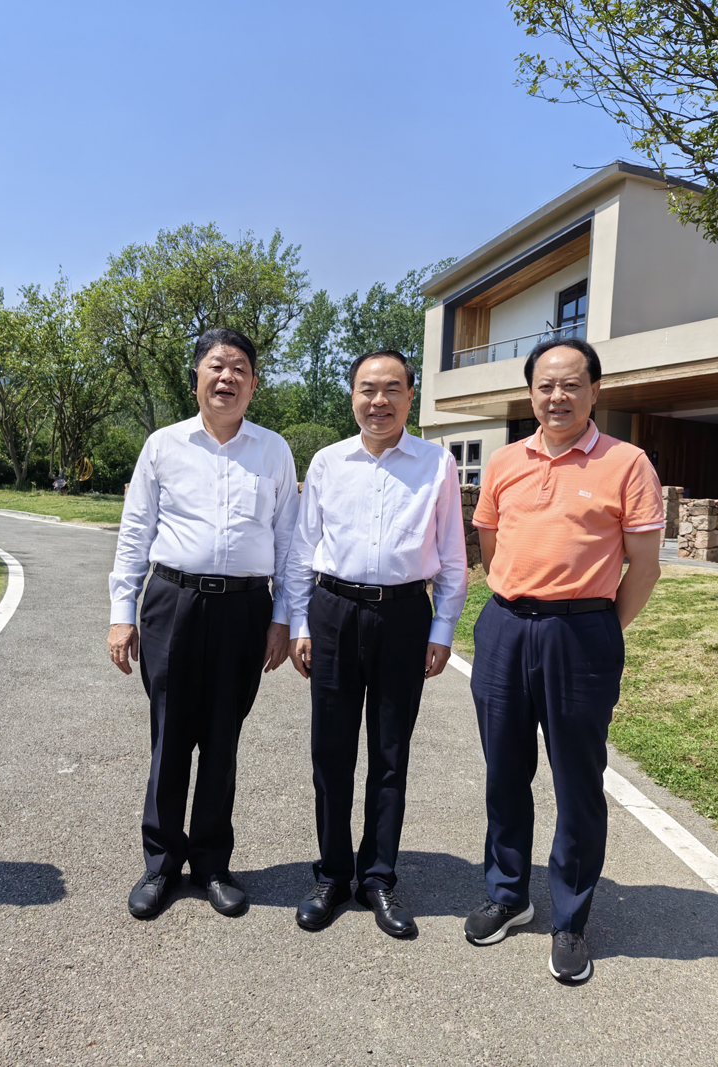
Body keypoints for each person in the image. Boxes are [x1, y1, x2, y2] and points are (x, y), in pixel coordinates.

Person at [465, 336, 663, 982]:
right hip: (505, 627)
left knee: (577, 780)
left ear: (595, 391)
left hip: (581, 634)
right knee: (503, 769)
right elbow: (490, 543)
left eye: (571, 384)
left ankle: (571, 917)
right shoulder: (504, 462)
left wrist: (597, 627)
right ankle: (507, 892)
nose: (557, 396)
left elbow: (644, 566)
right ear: (530, 394)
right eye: (545, 385)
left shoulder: (627, 463)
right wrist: (520, 600)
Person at [108, 327, 299, 920]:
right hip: (173, 602)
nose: (227, 377)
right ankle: (161, 863)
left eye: (240, 368)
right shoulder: (163, 445)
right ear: (196, 377)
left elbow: (290, 544)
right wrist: (121, 614)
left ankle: (213, 863)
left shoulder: (273, 450)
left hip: (245, 608)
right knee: (170, 735)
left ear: (254, 384)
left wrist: (282, 619)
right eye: (217, 366)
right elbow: (135, 532)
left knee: (222, 737)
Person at [285, 350, 468, 938]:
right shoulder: (328, 461)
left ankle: (379, 878)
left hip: (404, 615)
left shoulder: (437, 464)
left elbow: (454, 556)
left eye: (392, 388)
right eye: (367, 389)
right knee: (331, 751)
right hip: (333, 611)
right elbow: (302, 549)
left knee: (390, 753)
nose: (379, 401)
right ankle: (333, 874)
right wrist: (299, 624)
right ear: (352, 396)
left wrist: (442, 630)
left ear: (411, 396)